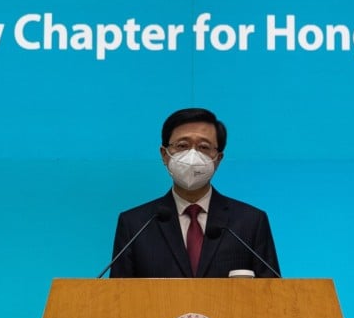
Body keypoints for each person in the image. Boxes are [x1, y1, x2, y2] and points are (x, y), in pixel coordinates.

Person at [108, 107, 280, 278]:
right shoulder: (135, 225)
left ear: (218, 159)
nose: (192, 156)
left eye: (204, 147)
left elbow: (272, 291)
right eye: (182, 146)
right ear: (164, 155)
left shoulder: (250, 222)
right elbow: (118, 293)